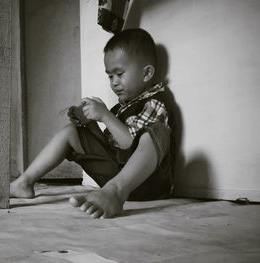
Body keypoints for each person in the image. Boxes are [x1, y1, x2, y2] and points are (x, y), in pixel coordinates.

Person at [10, 28, 173, 219]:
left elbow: (130, 143)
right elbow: (112, 147)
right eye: (110, 76)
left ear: (146, 74)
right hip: (115, 173)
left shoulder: (155, 103)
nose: (114, 83)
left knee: (158, 131)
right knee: (72, 131)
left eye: (119, 74)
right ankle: (24, 182)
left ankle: (115, 192)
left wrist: (105, 116)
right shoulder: (123, 107)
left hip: (144, 185)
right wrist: (89, 124)